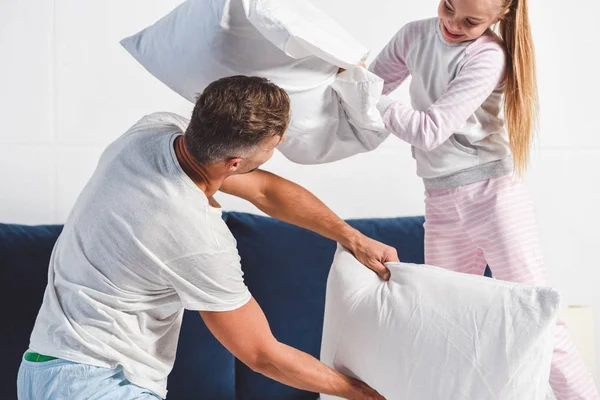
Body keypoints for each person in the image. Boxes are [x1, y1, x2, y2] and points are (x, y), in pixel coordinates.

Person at [17, 76, 394, 400]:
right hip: (102, 383)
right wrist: (363, 392)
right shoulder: (196, 235)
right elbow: (262, 354)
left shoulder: (151, 132)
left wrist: (352, 237)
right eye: (273, 145)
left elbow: (265, 192)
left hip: (41, 369)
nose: (274, 150)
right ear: (234, 164)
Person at [369, 0, 598, 398]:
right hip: (439, 198)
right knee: (448, 318)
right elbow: (367, 89)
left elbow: (427, 130)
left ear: (500, 16)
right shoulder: (414, 35)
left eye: (471, 20)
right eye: (448, 7)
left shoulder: (489, 56)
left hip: (494, 198)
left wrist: (368, 94)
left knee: (537, 315)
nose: (453, 24)